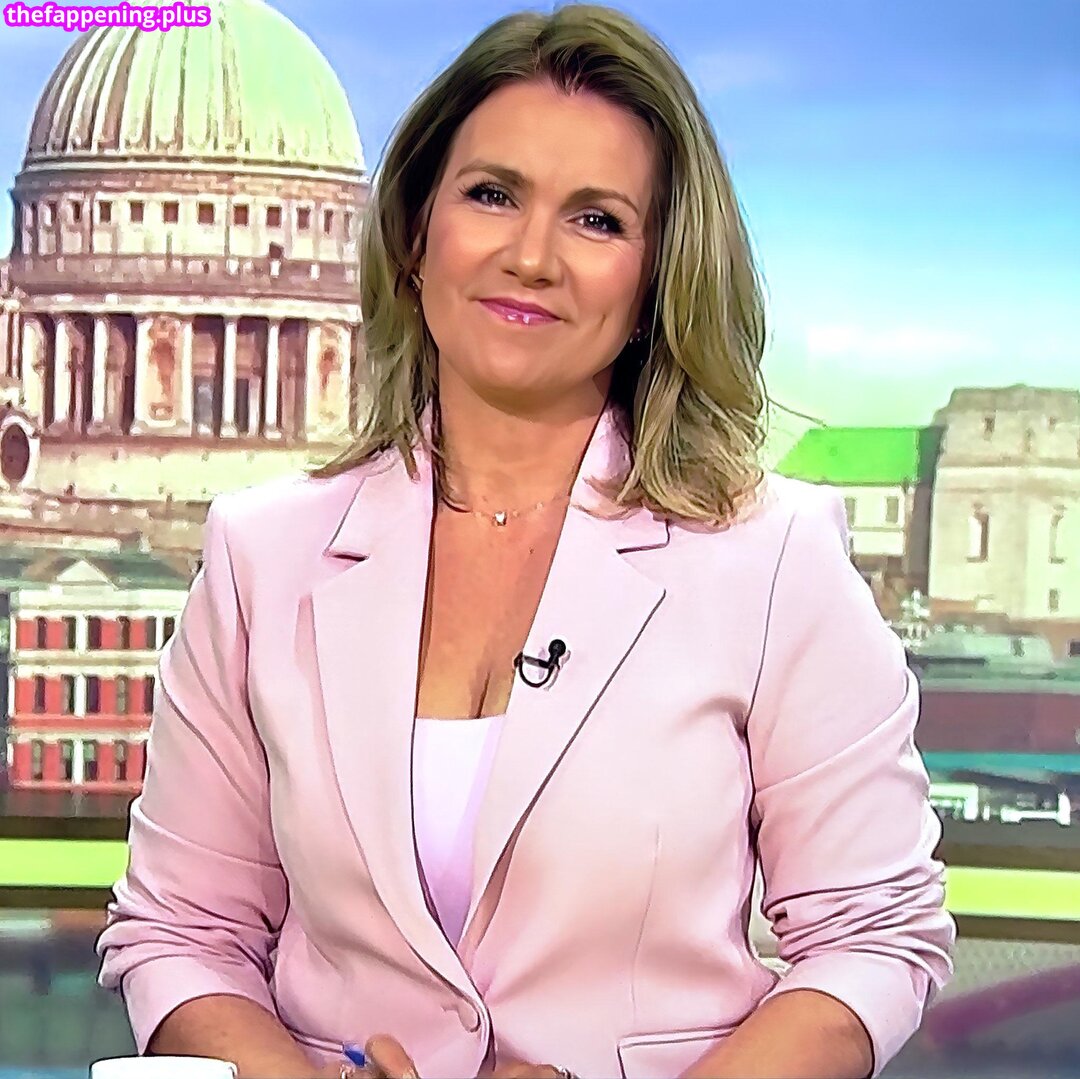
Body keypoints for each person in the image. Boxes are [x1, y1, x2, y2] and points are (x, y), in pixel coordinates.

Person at [95, 5, 955, 1078]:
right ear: (415, 235)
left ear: (655, 278)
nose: (532, 256)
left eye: (596, 219)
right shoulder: (259, 553)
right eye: (492, 195)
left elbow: (874, 938)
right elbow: (183, 929)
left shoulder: (774, 557)